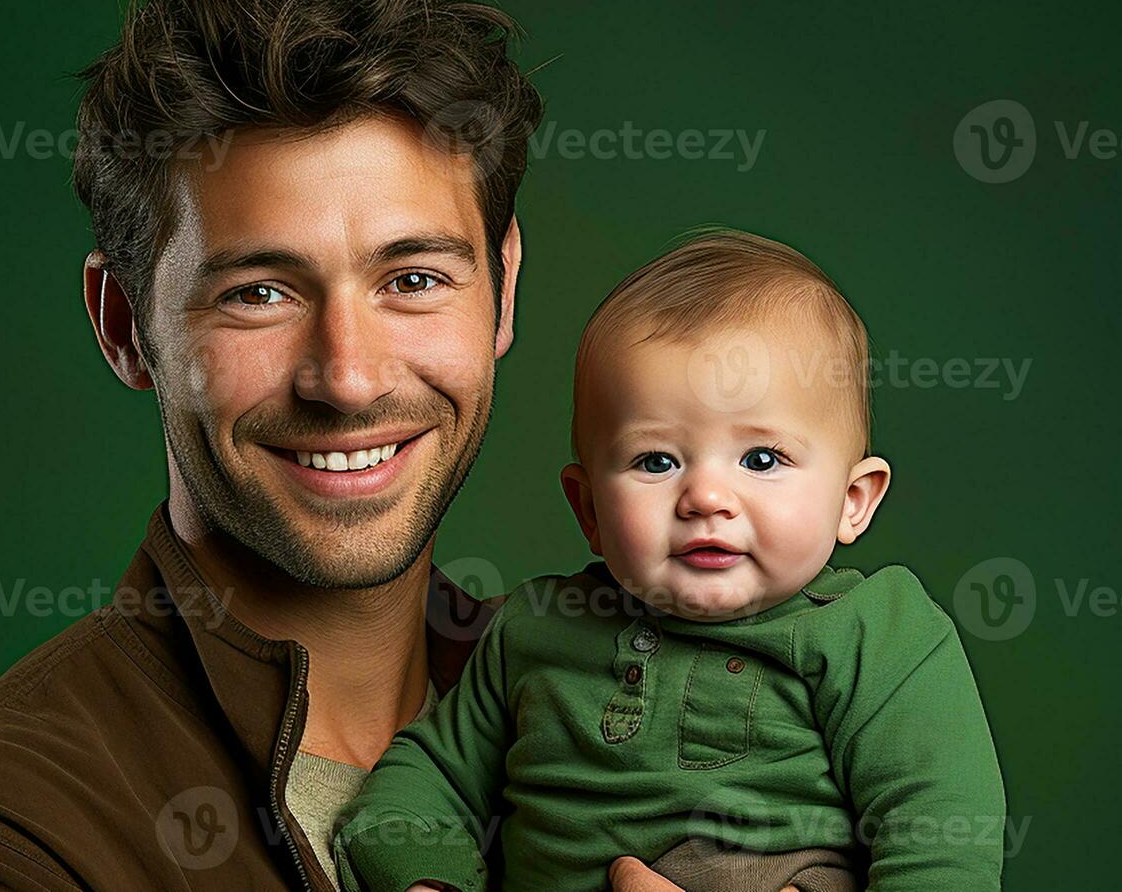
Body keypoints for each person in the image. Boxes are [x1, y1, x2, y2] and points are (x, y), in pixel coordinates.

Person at [0, 0, 553, 891]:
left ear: (500, 287)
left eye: (412, 279)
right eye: (258, 293)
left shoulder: (648, 703)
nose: (349, 379)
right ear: (124, 325)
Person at [332, 230, 1008, 891]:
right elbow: (424, 780)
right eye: (655, 460)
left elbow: (940, 833)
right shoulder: (535, 626)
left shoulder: (877, 631)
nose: (706, 497)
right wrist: (425, 878)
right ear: (588, 509)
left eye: (761, 459)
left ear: (852, 501)